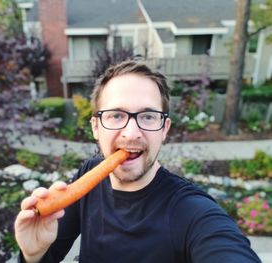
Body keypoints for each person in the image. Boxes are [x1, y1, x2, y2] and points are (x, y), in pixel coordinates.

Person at [14, 60, 261, 263]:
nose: (131, 133)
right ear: (96, 127)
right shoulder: (87, 177)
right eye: (116, 115)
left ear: (164, 129)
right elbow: (49, 256)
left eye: (148, 116)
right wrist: (33, 255)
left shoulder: (192, 212)